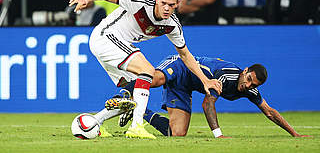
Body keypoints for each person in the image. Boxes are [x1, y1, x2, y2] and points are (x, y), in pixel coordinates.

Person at [68, 0, 222, 139]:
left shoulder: (172, 25)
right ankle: (137, 126)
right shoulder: (140, 3)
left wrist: (205, 80)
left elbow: (185, 55)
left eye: (171, 4)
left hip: (115, 44)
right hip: (105, 37)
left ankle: (95, 122)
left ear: (177, 4)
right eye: (163, 3)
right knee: (148, 70)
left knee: (133, 92)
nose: (167, 8)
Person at [117, 54, 311, 138]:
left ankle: (137, 109)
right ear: (245, 71)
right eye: (249, 78)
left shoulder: (250, 90)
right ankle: (127, 90)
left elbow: (269, 112)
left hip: (186, 86)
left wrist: (294, 134)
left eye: (254, 84)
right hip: (181, 67)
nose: (248, 85)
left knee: (176, 134)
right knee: (158, 79)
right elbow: (207, 104)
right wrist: (218, 135)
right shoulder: (227, 75)